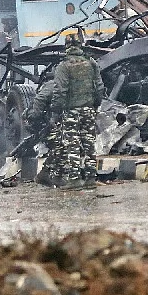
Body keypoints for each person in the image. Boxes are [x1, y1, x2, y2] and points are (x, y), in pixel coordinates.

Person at [51, 31, 105, 189]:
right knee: (89, 143)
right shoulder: (91, 63)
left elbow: (60, 90)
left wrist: (55, 110)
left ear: (66, 46)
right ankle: (90, 178)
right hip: (88, 109)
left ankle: (74, 179)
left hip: (71, 110)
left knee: (72, 143)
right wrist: (95, 105)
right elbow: (99, 87)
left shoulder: (64, 66)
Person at [27, 70, 62, 187]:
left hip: (60, 119)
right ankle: (46, 174)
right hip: (54, 121)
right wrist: (35, 115)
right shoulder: (52, 85)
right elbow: (40, 99)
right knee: (61, 146)